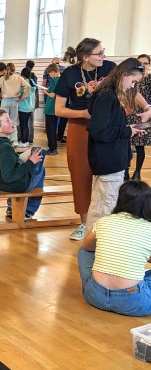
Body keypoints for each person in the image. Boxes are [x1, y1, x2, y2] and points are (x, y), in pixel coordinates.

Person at [54, 38, 117, 240]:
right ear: (85, 57)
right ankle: (84, 223)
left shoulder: (110, 68)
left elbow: (127, 92)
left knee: (109, 174)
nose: (103, 56)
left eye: (103, 51)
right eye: (99, 53)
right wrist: (82, 114)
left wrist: (145, 108)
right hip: (80, 127)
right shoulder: (70, 74)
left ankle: (107, 223)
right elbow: (58, 109)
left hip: (107, 126)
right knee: (81, 174)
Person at [86, 58, 145, 227]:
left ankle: (93, 246)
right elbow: (98, 131)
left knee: (100, 206)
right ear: (124, 74)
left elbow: (108, 127)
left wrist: (129, 128)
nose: (133, 86)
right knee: (105, 209)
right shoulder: (107, 96)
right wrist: (127, 131)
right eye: (133, 81)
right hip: (109, 161)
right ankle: (98, 248)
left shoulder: (109, 94)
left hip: (111, 159)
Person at [77, 180, 151, 316]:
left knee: (83, 252)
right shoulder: (149, 227)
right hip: (134, 302)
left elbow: (86, 246)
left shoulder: (104, 221)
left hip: (95, 297)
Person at [0, 109, 46, 219]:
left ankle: (12, 207)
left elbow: (7, 160)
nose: (12, 122)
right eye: (7, 120)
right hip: (14, 186)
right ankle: (28, 210)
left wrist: (24, 155)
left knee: (35, 151)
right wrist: (30, 162)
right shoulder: (5, 148)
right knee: (40, 164)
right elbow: (9, 176)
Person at [126, 54, 151, 181]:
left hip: (145, 116)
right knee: (126, 142)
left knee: (140, 145)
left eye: (145, 63)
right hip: (130, 114)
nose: (143, 66)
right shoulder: (132, 78)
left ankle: (137, 172)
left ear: (149, 65)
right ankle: (125, 170)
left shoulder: (150, 79)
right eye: (140, 63)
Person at [0, 63, 30, 147]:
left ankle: (3, 139)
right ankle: (14, 140)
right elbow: (27, 87)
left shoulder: (3, 78)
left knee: (2, 120)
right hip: (15, 100)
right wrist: (22, 97)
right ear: (14, 69)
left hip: (5, 100)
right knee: (13, 121)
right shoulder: (18, 78)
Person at [43, 63, 61, 155]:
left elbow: (52, 94)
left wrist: (45, 91)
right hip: (57, 107)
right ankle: (54, 148)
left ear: (53, 72)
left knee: (49, 129)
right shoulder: (61, 80)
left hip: (50, 108)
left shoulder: (54, 80)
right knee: (54, 129)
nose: (49, 75)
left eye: (49, 74)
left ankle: (52, 148)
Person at [17, 67, 37, 148]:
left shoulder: (23, 83)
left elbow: (20, 93)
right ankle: (27, 141)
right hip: (30, 107)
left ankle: (23, 141)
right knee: (26, 125)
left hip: (23, 107)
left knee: (23, 125)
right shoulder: (32, 81)